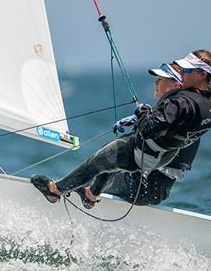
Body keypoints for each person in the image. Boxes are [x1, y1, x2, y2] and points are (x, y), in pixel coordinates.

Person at [31, 49, 211, 206]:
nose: (156, 82)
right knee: (114, 153)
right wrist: (145, 116)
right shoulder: (209, 102)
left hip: (146, 183)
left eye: (162, 78)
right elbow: (173, 127)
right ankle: (90, 195)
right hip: (156, 163)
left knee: (102, 159)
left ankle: (55, 190)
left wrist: (144, 115)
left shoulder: (181, 102)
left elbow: (152, 129)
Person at [82, 62, 196, 207]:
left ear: (176, 85)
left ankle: (82, 197)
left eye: (161, 79)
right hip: (156, 191)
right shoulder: (185, 117)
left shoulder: (175, 120)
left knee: (96, 172)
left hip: (140, 188)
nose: (155, 82)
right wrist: (140, 119)